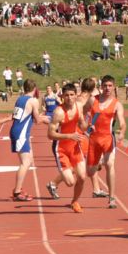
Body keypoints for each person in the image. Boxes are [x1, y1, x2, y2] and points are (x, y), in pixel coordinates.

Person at [83, 75, 126, 209]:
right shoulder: (92, 100)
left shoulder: (117, 104)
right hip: (94, 139)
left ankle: (111, 198)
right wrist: (87, 126)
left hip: (108, 138)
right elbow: (83, 115)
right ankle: (98, 163)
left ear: (113, 87)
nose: (107, 88)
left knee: (109, 164)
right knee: (90, 172)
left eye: (110, 86)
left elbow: (123, 122)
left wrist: (122, 132)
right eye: (105, 86)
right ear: (100, 87)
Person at [47, 83, 88, 213]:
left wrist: (89, 126)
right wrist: (69, 135)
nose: (69, 98)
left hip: (75, 146)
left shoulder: (79, 107)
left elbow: (82, 124)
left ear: (76, 95)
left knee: (82, 176)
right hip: (61, 149)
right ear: (62, 96)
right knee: (70, 182)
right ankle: (54, 183)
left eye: (72, 95)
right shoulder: (58, 112)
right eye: (66, 95)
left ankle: (75, 201)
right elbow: (50, 134)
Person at [9, 78, 49, 201]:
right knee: (25, 163)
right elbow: (37, 120)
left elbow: (28, 117)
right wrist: (52, 120)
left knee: (29, 160)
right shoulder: (33, 101)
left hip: (18, 131)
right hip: (21, 133)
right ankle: (16, 191)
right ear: (35, 88)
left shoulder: (19, 99)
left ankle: (18, 189)